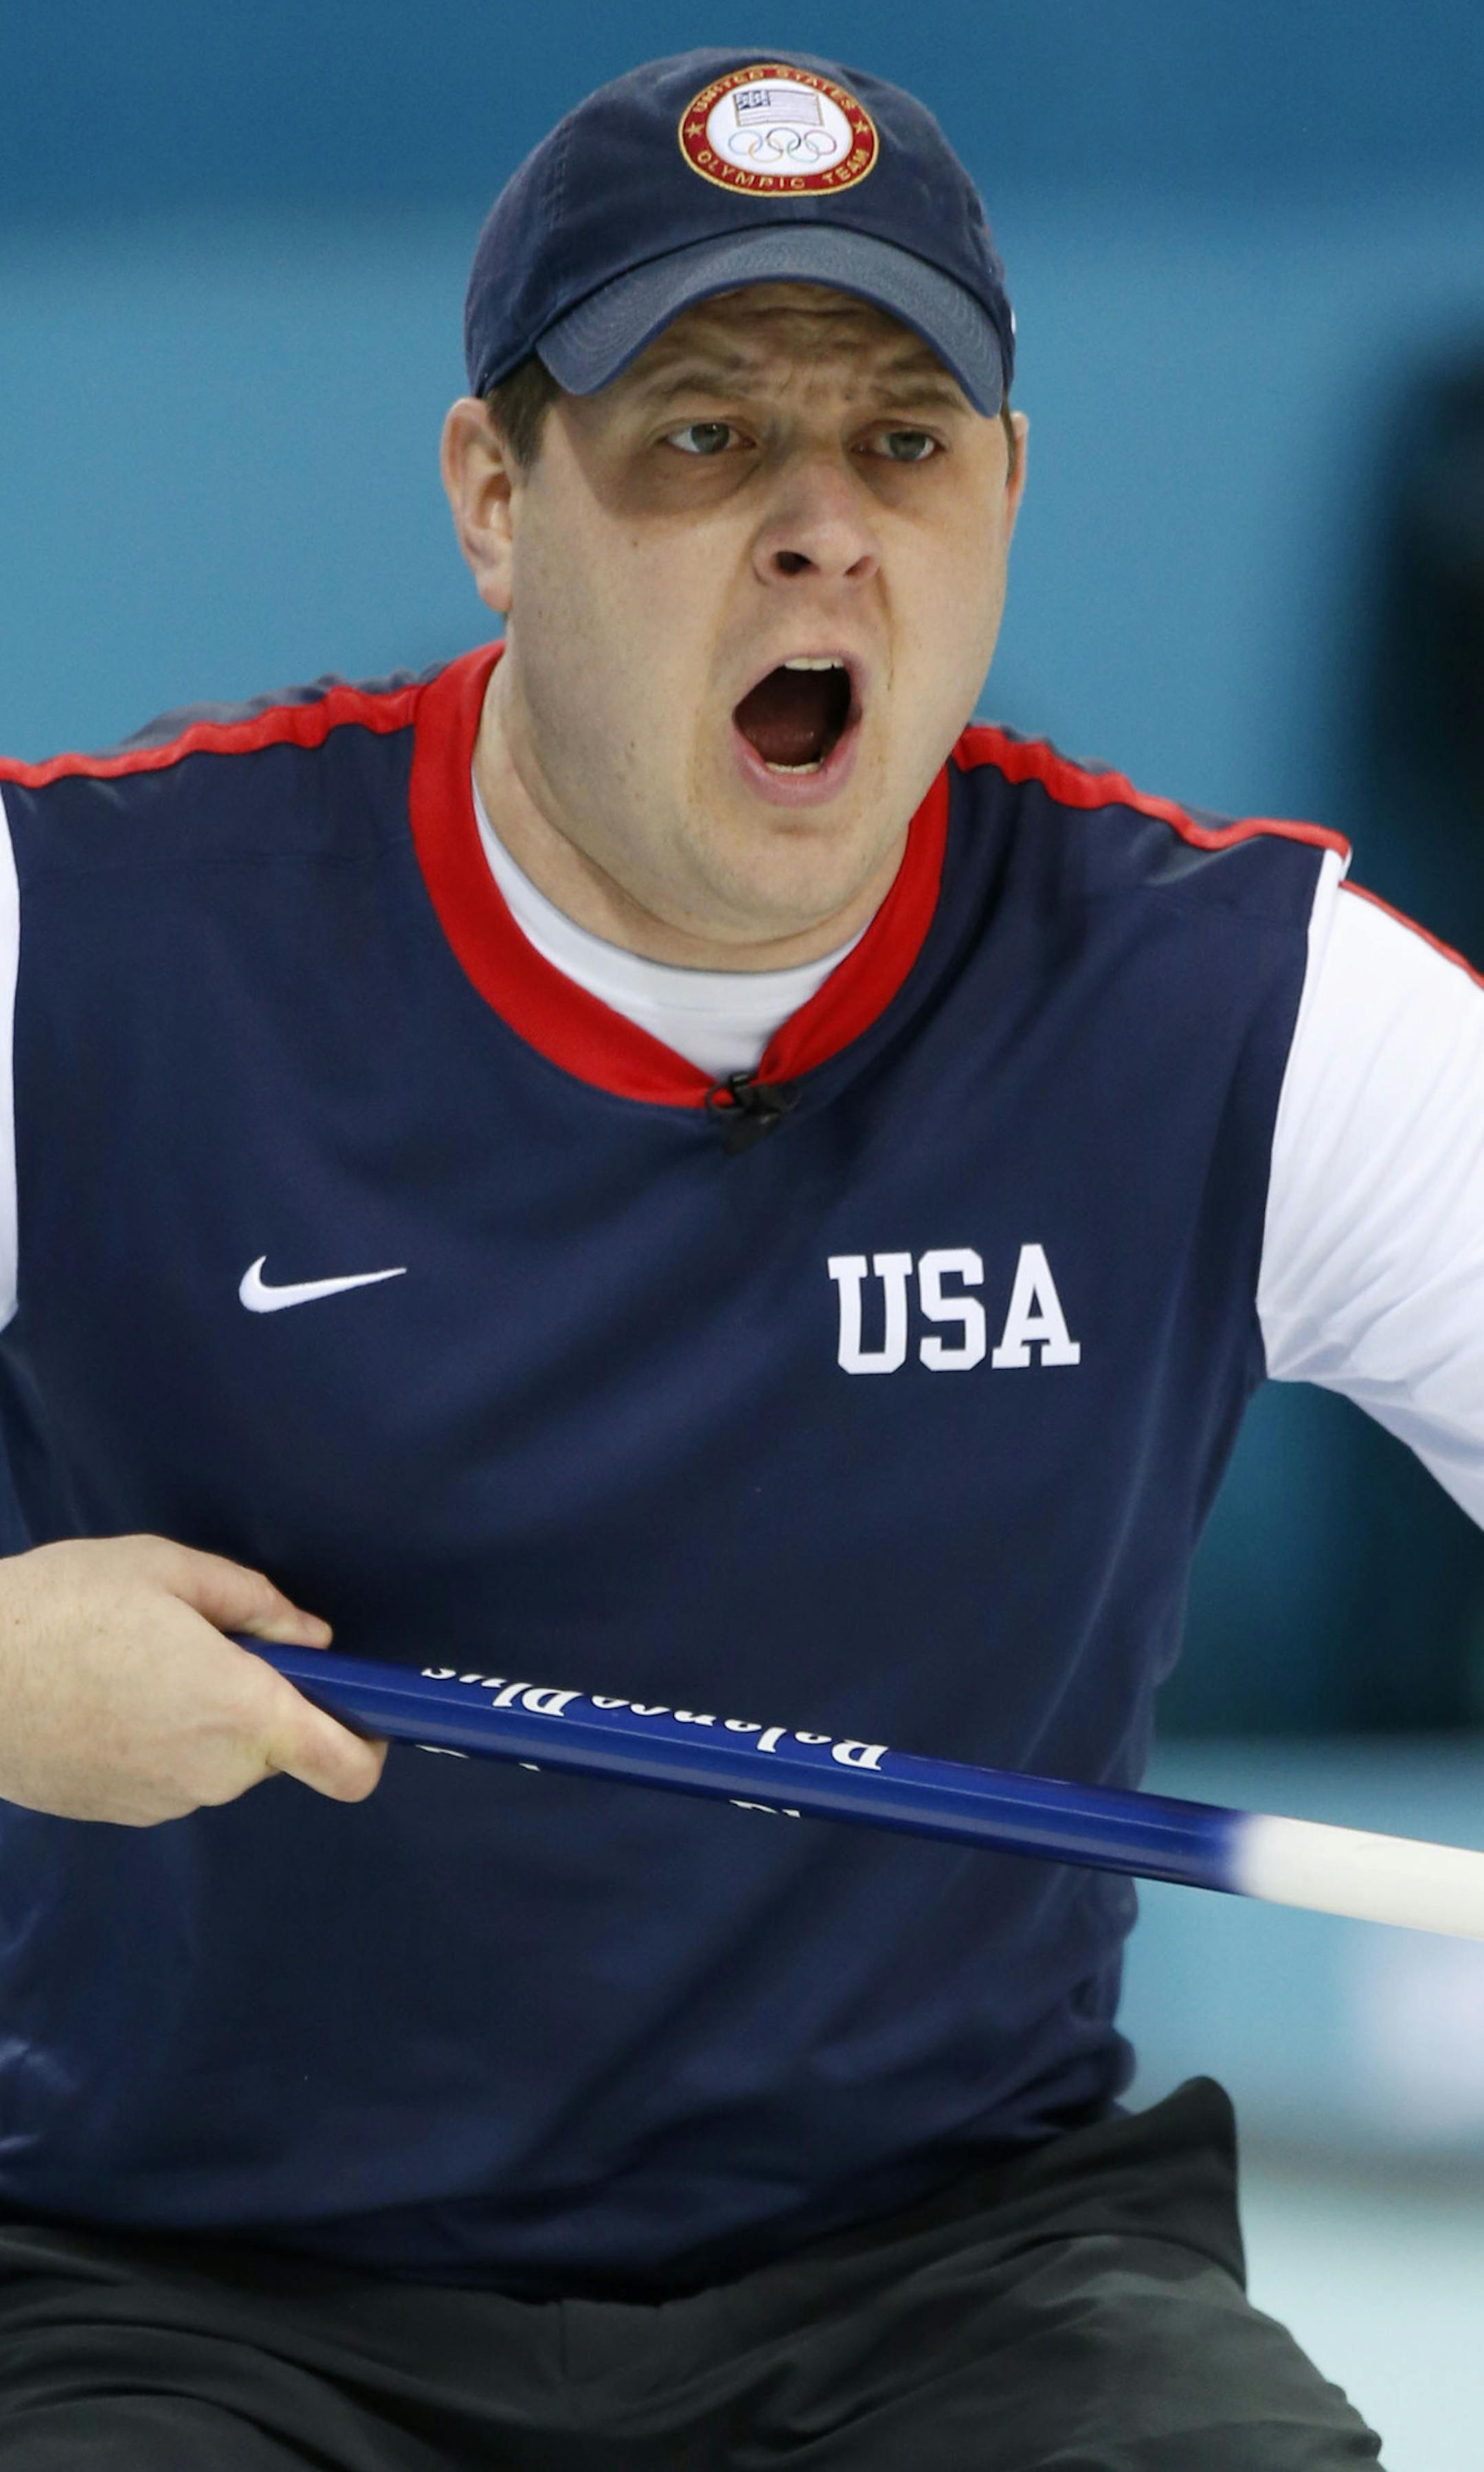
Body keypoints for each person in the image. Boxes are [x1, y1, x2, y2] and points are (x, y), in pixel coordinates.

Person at [0, 42, 1476, 2468]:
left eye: (904, 443)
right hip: (189, 2298)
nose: (823, 531)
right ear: (495, 497)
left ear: (1012, 494)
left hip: (954, 2288)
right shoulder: (89, 951)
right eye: (703, 437)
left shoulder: (1238, 1007)